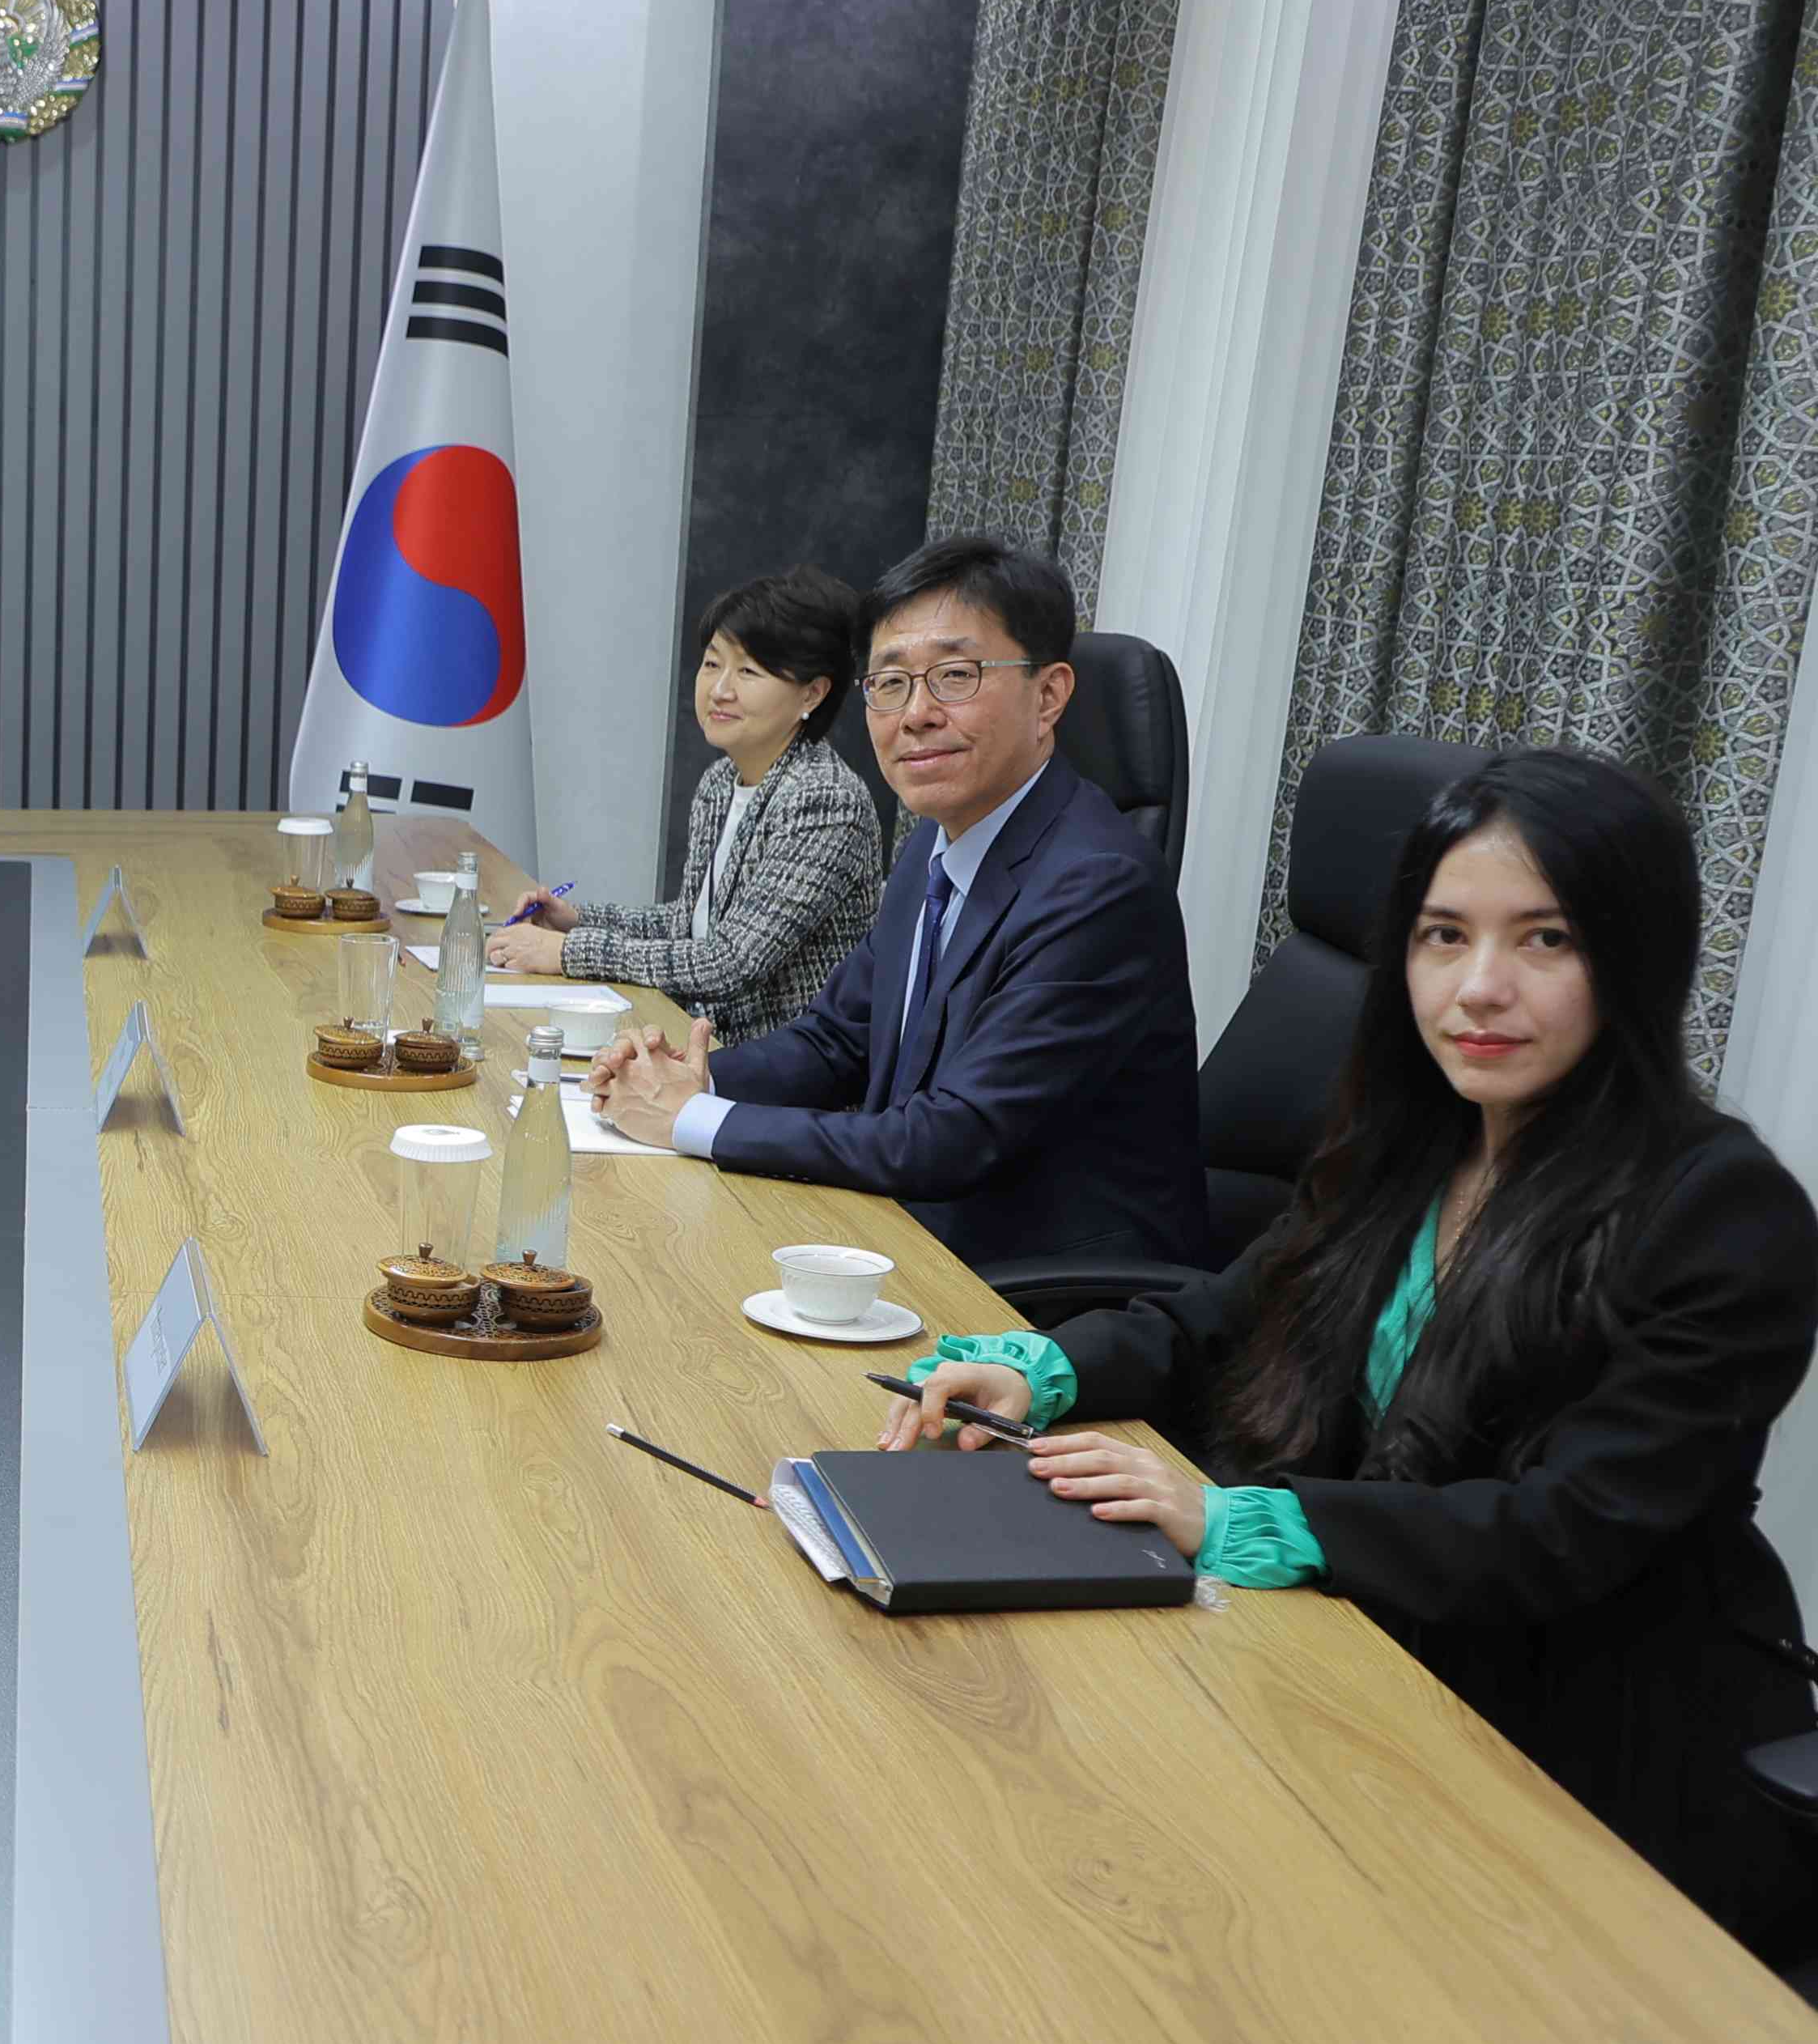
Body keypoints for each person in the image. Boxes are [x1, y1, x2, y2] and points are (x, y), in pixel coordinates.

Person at [881, 750, 1818, 1951]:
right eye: (1442, 936)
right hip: (1349, 1662)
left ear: (1635, 956)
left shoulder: (1722, 1214)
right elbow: (1216, 1315)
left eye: (1545, 941)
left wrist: (1239, 1518)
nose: (1479, 988)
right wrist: (1044, 1370)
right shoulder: (1419, 1139)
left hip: (1572, 1756)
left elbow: (1564, 1532)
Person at [587, 534, 1207, 1268]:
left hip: (1034, 1293)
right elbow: (838, 1041)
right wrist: (692, 1078)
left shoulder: (1098, 886)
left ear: (1049, 696)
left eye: (953, 675)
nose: (915, 714)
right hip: (907, 1232)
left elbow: (951, 1137)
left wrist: (696, 1119)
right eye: (889, 683)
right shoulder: (933, 844)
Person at [489, 565, 879, 1036]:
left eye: (749, 672)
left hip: (785, 1078)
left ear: (813, 693)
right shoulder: (721, 782)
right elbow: (689, 924)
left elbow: (732, 960)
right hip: (702, 1045)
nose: (719, 690)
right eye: (713, 663)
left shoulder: (826, 800)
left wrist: (568, 952)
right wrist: (575, 920)